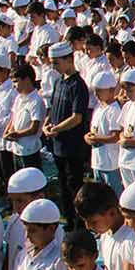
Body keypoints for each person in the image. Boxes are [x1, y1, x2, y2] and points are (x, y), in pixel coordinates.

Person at [42, 42, 89, 227]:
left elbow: (77, 117)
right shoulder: (59, 81)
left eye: (57, 62)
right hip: (58, 143)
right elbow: (54, 107)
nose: (54, 66)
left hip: (72, 145)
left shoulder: (78, 85)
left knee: (74, 185)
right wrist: (47, 124)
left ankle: (79, 223)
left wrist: (58, 128)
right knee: (63, 185)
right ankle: (69, 220)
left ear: (69, 60)